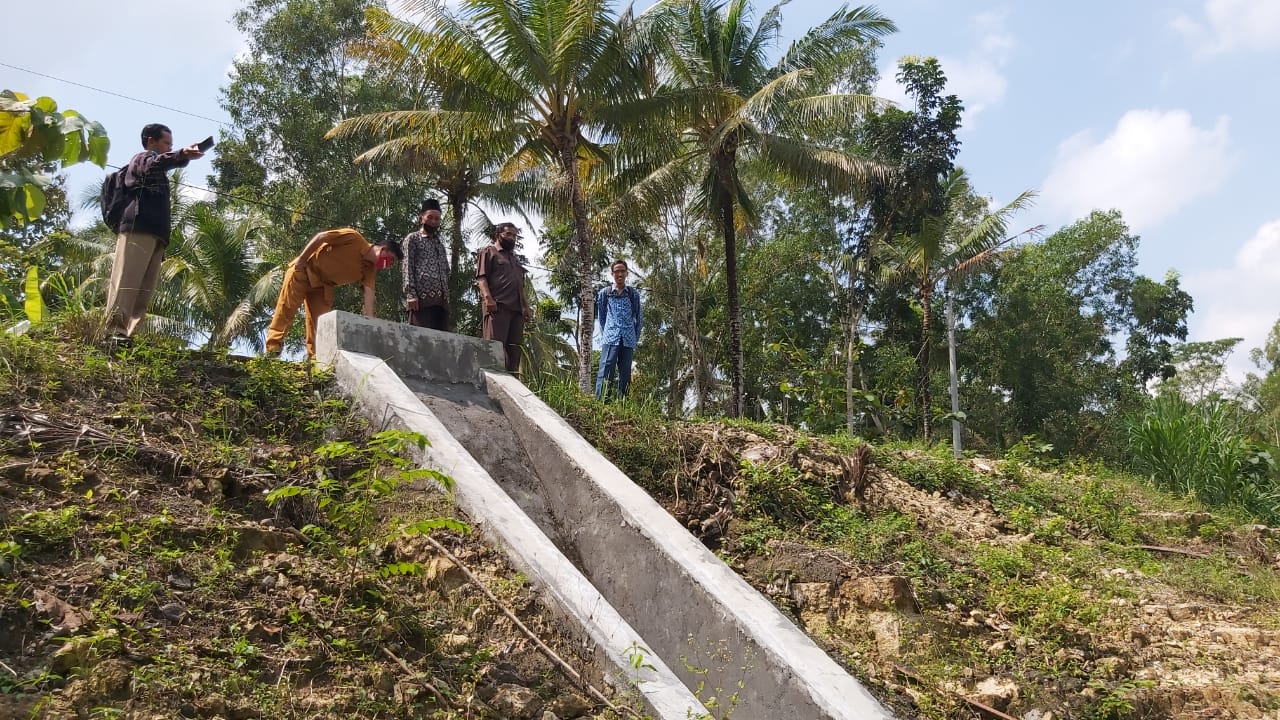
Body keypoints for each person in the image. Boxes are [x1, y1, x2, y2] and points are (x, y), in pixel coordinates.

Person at [104, 123, 205, 346]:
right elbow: (155, 164)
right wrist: (181, 154)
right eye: (166, 143)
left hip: (155, 234)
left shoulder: (157, 166)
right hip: (137, 229)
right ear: (151, 141)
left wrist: (180, 156)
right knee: (127, 281)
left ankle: (127, 336)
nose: (170, 147)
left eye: (172, 145)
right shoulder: (143, 158)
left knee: (143, 289)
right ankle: (113, 331)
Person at [265, 228, 401, 358]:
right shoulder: (354, 238)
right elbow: (321, 237)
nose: (388, 265)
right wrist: (302, 259)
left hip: (322, 287)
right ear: (383, 250)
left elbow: (369, 292)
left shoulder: (369, 269)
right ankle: (273, 349)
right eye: (391, 260)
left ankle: (315, 361)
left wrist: (370, 320)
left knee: (321, 324)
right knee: (286, 309)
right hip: (304, 271)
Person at [476, 222, 531, 374]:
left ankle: (513, 382)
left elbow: (520, 286)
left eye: (514, 235)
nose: (512, 238)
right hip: (498, 307)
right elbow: (481, 278)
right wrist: (488, 299)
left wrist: (525, 307)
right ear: (498, 235)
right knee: (494, 347)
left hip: (516, 310)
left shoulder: (514, 259)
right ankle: (492, 378)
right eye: (508, 234)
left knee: (514, 350)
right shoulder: (489, 252)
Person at [594, 260, 643, 400]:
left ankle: (622, 404)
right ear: (612, 274)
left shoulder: (633, 295)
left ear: (627, 273)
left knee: (625, 373)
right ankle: (601, 402)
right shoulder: (605, 293)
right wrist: (606, 334)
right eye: (617, 271)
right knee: (606, 369)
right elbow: (602, 316)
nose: (620, 274)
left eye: (622, 271)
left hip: (628, 339)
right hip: (610, 338)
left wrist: (635, 337)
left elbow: (639, 318)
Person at [401, 198, 451, 330]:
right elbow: (407, 267)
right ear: (421, 218)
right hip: (421, 302)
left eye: (437, 219)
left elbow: (446, 270)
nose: (434, 221)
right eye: (430, 217)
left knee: (442, 343)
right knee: (420, 341)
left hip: (441, 303)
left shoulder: (440, 245)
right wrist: (411, 294)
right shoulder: (413, 239)